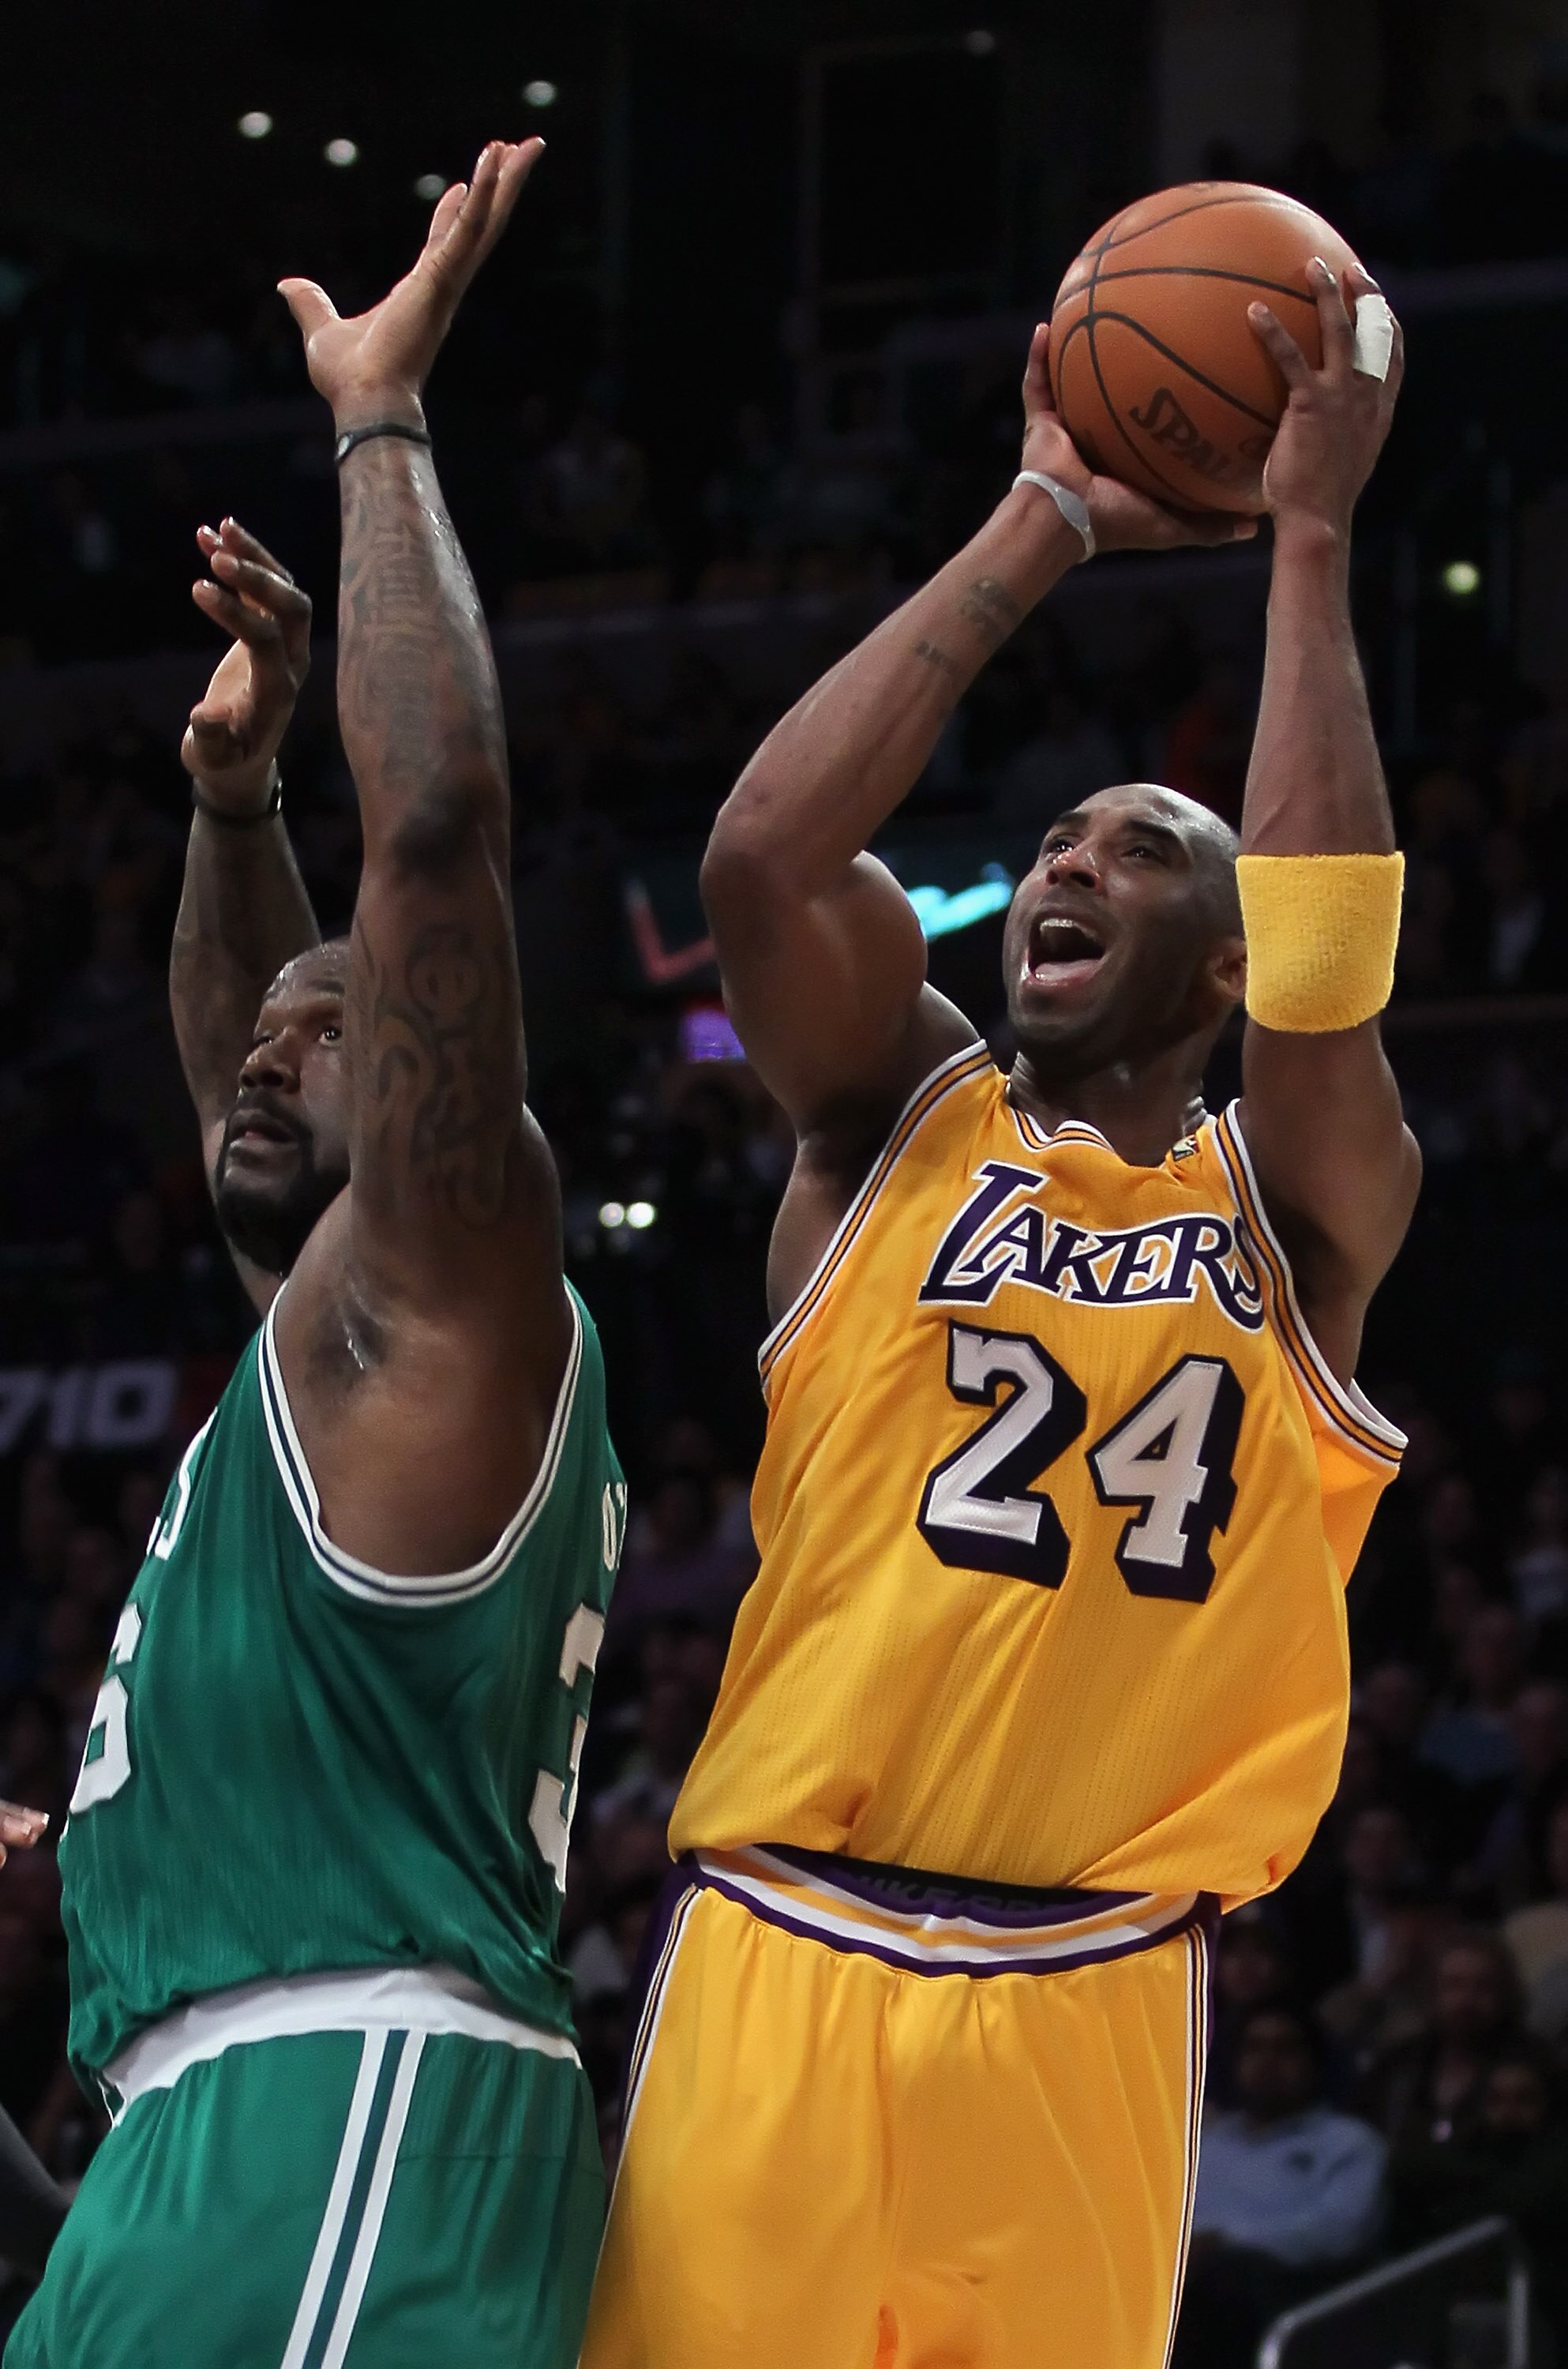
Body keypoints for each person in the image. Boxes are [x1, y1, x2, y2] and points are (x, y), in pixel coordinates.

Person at [583, 261, 1416, 2369]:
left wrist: (1307, 543)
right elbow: (765, 864)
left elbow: (1330, 966)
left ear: (1215, 965)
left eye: (1133, 853)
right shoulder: (900, 1125)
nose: (1064, 865)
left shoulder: (1297, 1203)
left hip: (1102, 1992)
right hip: (795, 1944)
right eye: (1050, 842)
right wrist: (1041, 515)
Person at [8, 143, 623, 2369]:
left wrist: (378, 418)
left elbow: (443, 829)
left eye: (329, 1032)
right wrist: (236, 811)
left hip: (356, 2106)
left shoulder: (446, 1293)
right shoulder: (328, 1352)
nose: (264, 1061)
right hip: (207, 2122)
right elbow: (249, 1068)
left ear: (449, 1110)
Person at [1175, 2005, 1386, 2369]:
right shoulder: (1205, 2143)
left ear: (1314, 2063)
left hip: (1300, 2299)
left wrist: (1224, 2242)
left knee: (1224, 2280)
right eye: (1255, 2048)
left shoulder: (1348, 2143)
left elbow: (1339, 2232)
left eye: (1284, 2049)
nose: (1268, 2061)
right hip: (1189, 2289)